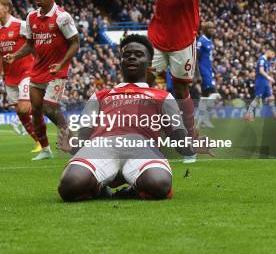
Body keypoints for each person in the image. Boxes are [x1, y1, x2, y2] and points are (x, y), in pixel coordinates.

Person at [56, 34, 212, 202]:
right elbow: (83, 139)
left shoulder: (163, 97)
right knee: (69, 186)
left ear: (150, 65)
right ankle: (99, 186)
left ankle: (132, 185)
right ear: (120, 62)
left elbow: (179, 141)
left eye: (138, 54)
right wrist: (72, 147)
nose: (131, 57)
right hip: (101, 147)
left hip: (142, 149)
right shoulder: (99, 96)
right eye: (127, 54)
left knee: (158, 184)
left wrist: (192, 147)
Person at [146, 0, 222, 163]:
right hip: (158, 35)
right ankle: (146, 136)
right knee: (143, 82)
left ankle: (189, 139)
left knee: (180, 90)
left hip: (182, 38)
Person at [4, 0, 80, 161]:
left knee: (49, 108)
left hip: (57, 71)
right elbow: (30, 46)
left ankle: (71, 136)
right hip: (38, 70)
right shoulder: (31, 17)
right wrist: (15, 55)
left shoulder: (62, 17)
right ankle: (45, 149)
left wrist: (62, 64)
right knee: (36, 110)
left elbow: (75, 43)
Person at [0, 0, 41, 150]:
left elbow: (34, 46)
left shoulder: (21, 25)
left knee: (25, 107)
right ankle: (40, 142)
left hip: (26, 71)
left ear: (6, 8)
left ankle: (48, 108)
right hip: (9, 76)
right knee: (20, 112)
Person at [244, 48, 276, 121]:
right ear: (268, 52)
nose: (273, 56)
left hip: (265, 82)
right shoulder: (261, 59)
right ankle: (248, 114)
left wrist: (274, 70)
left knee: (271, 97)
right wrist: (269, 78)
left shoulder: (267, 61)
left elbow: (266, 71)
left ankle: (275, 115)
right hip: (261, 82)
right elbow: (261, 71)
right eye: (272, 54)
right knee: (257, 99)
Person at [195, 21, 220, 132]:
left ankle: (201, 121)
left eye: (214, 28)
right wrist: (198, 74)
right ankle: (202, 119)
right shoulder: (201, 41)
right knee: (215, 94)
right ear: (205, 29)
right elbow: (196, 58)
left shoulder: (209, 41)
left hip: (209, 71)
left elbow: (208, 58)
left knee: (204, 97)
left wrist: (214, 70)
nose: (213, 30)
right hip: (204, 71)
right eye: (210, 28)